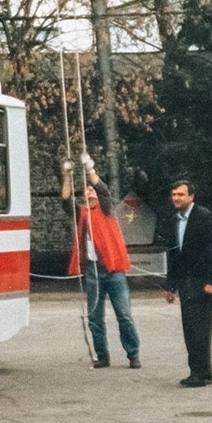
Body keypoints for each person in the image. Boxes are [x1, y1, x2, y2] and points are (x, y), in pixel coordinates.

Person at [61, 158, 140, 370]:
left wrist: (90, 169)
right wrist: (67, 175)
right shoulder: (82, 214)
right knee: (95, 318)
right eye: (87, 191)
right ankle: (102, 357)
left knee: (123, 314)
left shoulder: (106, 209)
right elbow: (66, 199)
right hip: (93, 270)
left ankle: (133, 354)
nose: (90, 192)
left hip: (113, 270)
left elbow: (102, 190)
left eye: (92, 190)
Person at [163, 178, 212, 387]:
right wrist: (170, 285)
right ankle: (199, 371)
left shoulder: (204, 217)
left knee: (201, 328)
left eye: (180, 194)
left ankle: (200, 372)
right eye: (174, 195)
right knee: (190, 327)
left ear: (191, 196)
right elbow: (173, 255)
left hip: (202, 280)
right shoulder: (174, 221)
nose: (176, 198)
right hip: (185, 280)